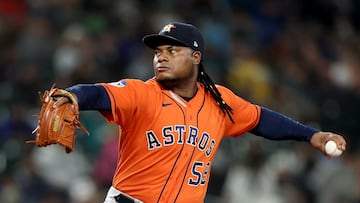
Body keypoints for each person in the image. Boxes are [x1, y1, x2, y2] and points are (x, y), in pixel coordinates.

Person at [56, 22, 346, 203]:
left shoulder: (219, 101)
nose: (161, 57)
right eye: (158, 52)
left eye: (172, 50)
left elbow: (262, 120)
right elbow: (96, 93)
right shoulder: (142, 93)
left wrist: (313, 136)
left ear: (196, 57)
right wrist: (72, 95)